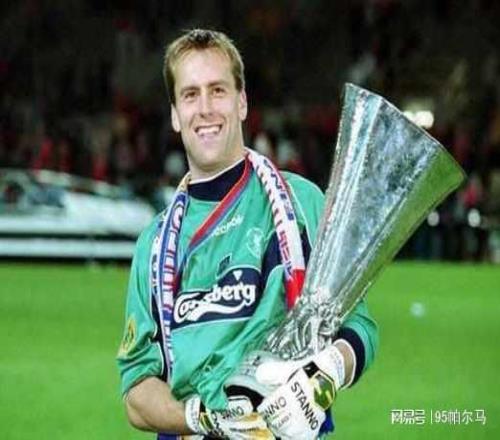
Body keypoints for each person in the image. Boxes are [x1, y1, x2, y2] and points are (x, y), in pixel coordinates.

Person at [117, 29, 378, 440]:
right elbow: (136, 390)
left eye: (218, 90)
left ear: (242, 102)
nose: (205, 108)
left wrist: (324, 375)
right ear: (175, 114)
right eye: (190, 95)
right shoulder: (154, 243)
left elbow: (359, 328)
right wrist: (205, 419)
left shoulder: (301, 202)